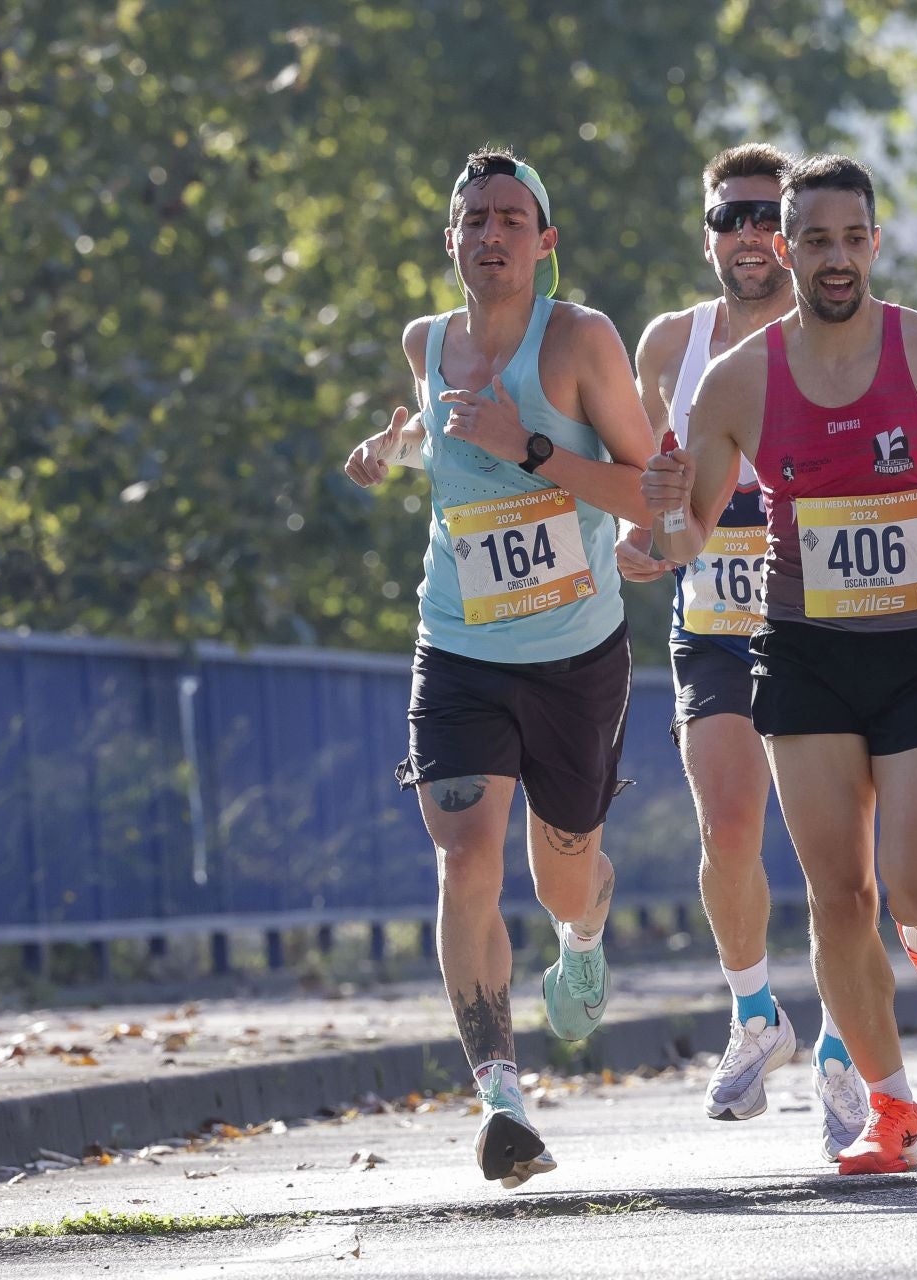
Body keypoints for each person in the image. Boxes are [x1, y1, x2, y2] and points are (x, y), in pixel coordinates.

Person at [642, 153, 917, 1176]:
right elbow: (691, 526)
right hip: (803, 653)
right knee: (837, 895)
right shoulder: (738, 381)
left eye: (851, 238)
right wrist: (658, 525)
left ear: (875, 242)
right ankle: (890, 1106)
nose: (835, 258)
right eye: (814, 240)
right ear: (786, 251)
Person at [343, 148, 655, 1189]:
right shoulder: (425, 343)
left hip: (574, 654)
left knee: (561, 869)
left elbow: (648, 494)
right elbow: (446, 444)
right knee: (464, 858)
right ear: (450, 241)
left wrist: (532, 451)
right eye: (472, 218)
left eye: (511, 218)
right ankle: (501, 1094)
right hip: (460, 643)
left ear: (545, 240)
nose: (490, 234)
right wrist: (393, 450)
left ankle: (586, 924)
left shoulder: (581, 341)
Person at [619, 143, 870, 1158]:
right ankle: (756, 1010)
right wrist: (648, 536)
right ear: (708, 232)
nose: (750, 235)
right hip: (716, 614)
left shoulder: (834, 337)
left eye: (768, 215)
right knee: (728, 826)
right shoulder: (670, 347)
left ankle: (846, 1042)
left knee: (835, 856)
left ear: (797, 228)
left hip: (826, 614)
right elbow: (659, 480)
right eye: (730, 217)